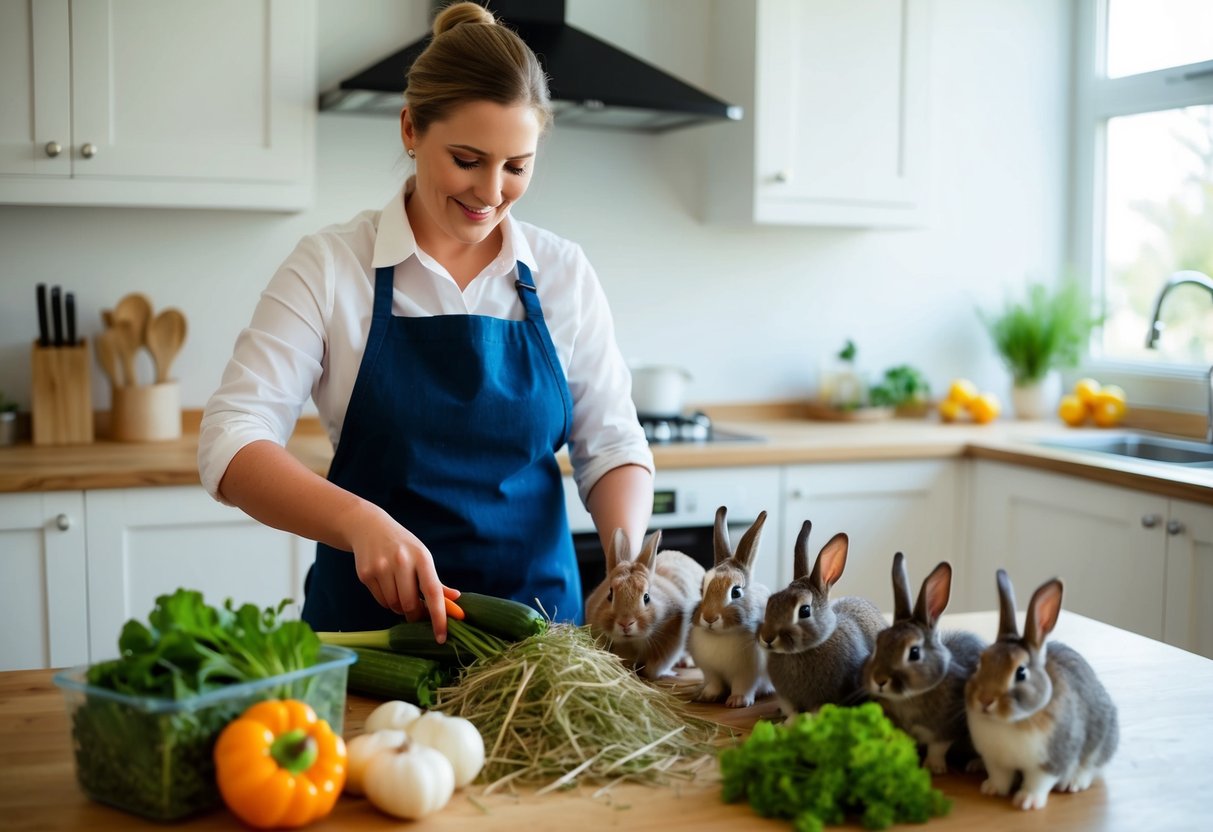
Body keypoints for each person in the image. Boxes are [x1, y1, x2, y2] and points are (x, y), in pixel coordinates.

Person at [198, 2, 654, 641]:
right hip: (373, 641)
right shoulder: (331, 267)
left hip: (543, 650)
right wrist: (360, 523)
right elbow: (230, 437)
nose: (492, 192)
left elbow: (611, 446)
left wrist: (628, 561)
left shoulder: (561, 272)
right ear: (411, 128)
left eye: (517, 166)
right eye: (467, 160)